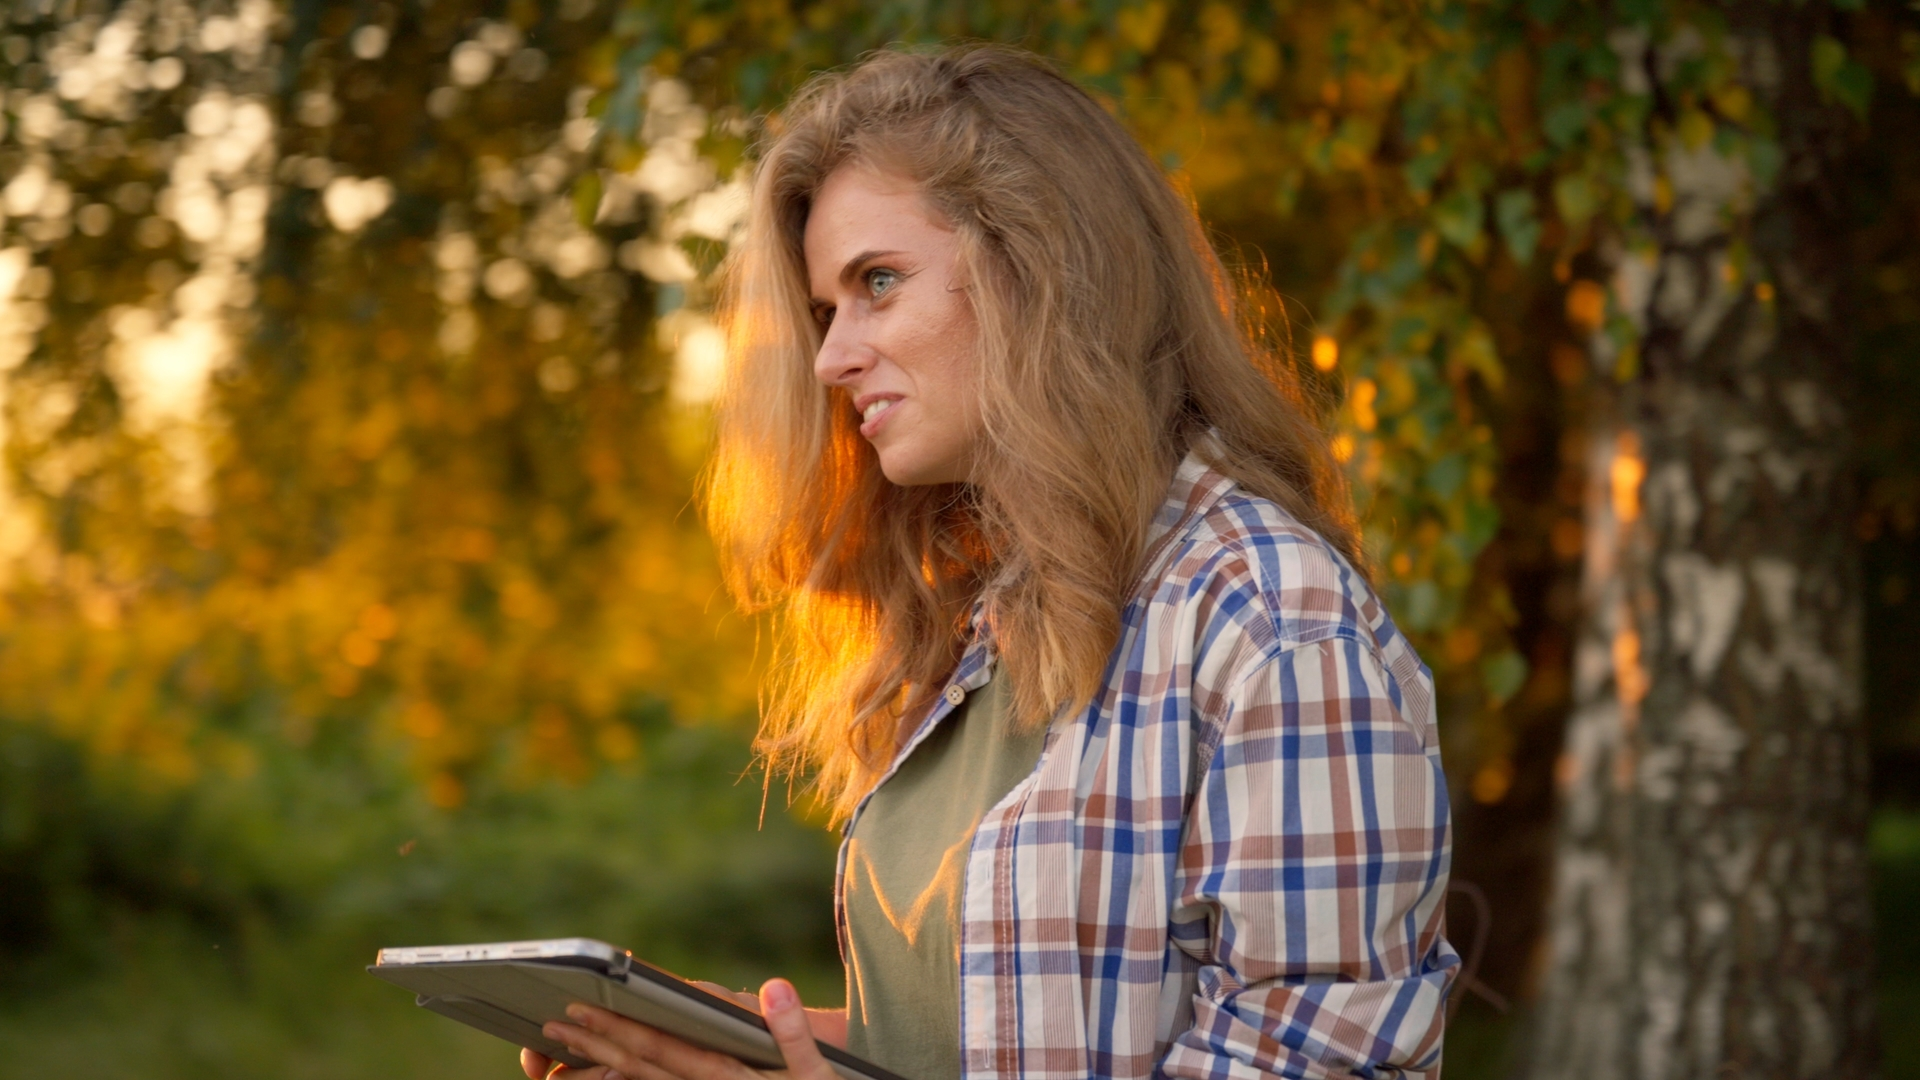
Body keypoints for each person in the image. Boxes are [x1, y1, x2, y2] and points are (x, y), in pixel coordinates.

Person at [522, 44, 1456, 1080]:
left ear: (1040, 266)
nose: (832, 359)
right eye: (828, 312)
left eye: (878, 282)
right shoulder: (977, 624)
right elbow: (1002, 1039)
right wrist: (743, 1044)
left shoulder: (1268, 618)